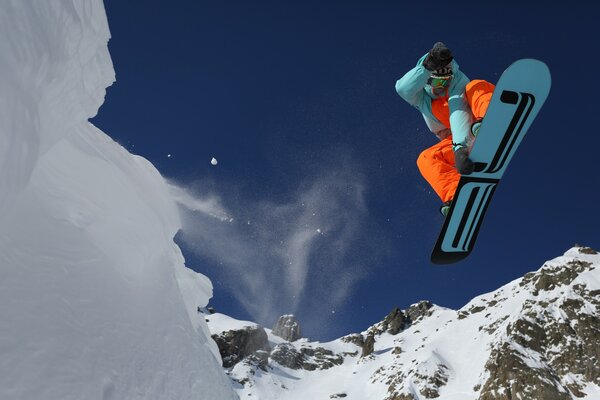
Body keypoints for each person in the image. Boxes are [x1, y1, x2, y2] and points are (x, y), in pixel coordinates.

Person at [395, 42, 495, 216]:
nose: (440, 85)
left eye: (444, 80)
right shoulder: (422, 99)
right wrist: (428, 65)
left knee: (476, 86)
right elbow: (403, 89)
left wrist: (461, 148)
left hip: (472, 127)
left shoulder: (458, 84)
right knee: (426, 158)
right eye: (435, 80)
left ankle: (490, 119)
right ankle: (456, 194)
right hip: (461, 145)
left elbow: (458, 113)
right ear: (426, 80)